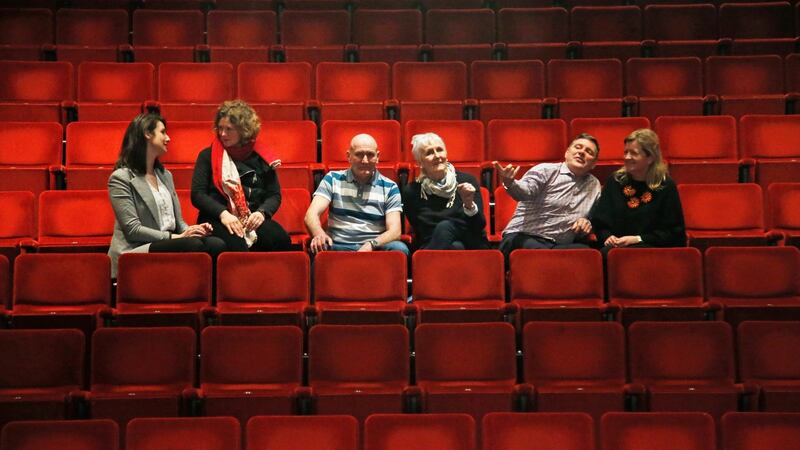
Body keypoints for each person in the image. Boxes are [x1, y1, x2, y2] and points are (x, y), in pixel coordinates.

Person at [108, 113, 226, 278]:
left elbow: (178, 222)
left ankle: (205, 298)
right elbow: (133, 230)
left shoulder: (165, 175)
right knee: (193, 246)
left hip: (170, 240)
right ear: (147, 134)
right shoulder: (121, 178)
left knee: (216, 244)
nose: (168, 138)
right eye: (163, 132)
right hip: (136, 247)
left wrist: (193, 230)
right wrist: (176, 237)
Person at [191, 99, 291, 252]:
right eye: (220, 128)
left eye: (229, 129)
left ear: (244, 130)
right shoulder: (207, 156)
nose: (222, 134)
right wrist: (223, 214)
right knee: (237, 244)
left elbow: (274, 195)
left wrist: (262, 213)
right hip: (217, 217)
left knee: (279, 238)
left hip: (250, 216)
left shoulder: (262, 158)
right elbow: (198, 194)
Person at [493, 133, 602, 259]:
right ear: (566, 153)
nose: (582, 152)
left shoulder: (594, 185)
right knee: (543, 254)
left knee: (586, 253)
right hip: (523, 237)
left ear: (594, 164)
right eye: (578, 147)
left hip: (558, 245)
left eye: (588, 152)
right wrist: (510, 183)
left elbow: (595, 218)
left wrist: (587, 223)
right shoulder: (546, 170)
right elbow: (525, 192)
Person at [304, 133, 408, 255]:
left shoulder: (390, 187)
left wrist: (370, 245)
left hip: (375, 247)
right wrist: (319, 235)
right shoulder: (332, 179)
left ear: (377, 157)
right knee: (317, 246)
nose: (365, 160)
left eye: (370, 155)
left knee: (400, 249)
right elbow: (310, 215)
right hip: (337, 245)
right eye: (359, 154)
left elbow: (395, 231)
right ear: (349, 156)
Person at [590, 128, 686, 252]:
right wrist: (608, 237)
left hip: (652, 248)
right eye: (626, 152)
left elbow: (674, 232)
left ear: (650, 157)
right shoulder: (615, 181)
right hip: (617, 248)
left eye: (634, 153)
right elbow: (600, 222)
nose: (627, 157)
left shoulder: (665, 185)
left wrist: (638, 239)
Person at [402, 132, 489, 251]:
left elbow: (479, 225)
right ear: (420, 162)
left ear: (446, 154)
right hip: (433, 242)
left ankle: (425, 267)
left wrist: (469, 205)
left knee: (446, 228)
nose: (437, 156)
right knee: (454, 244)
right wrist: (454, 223)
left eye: (439, 150)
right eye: (429, 153)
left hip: (470, 241)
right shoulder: (412, 191)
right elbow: (423, 229)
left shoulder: (466, 181)